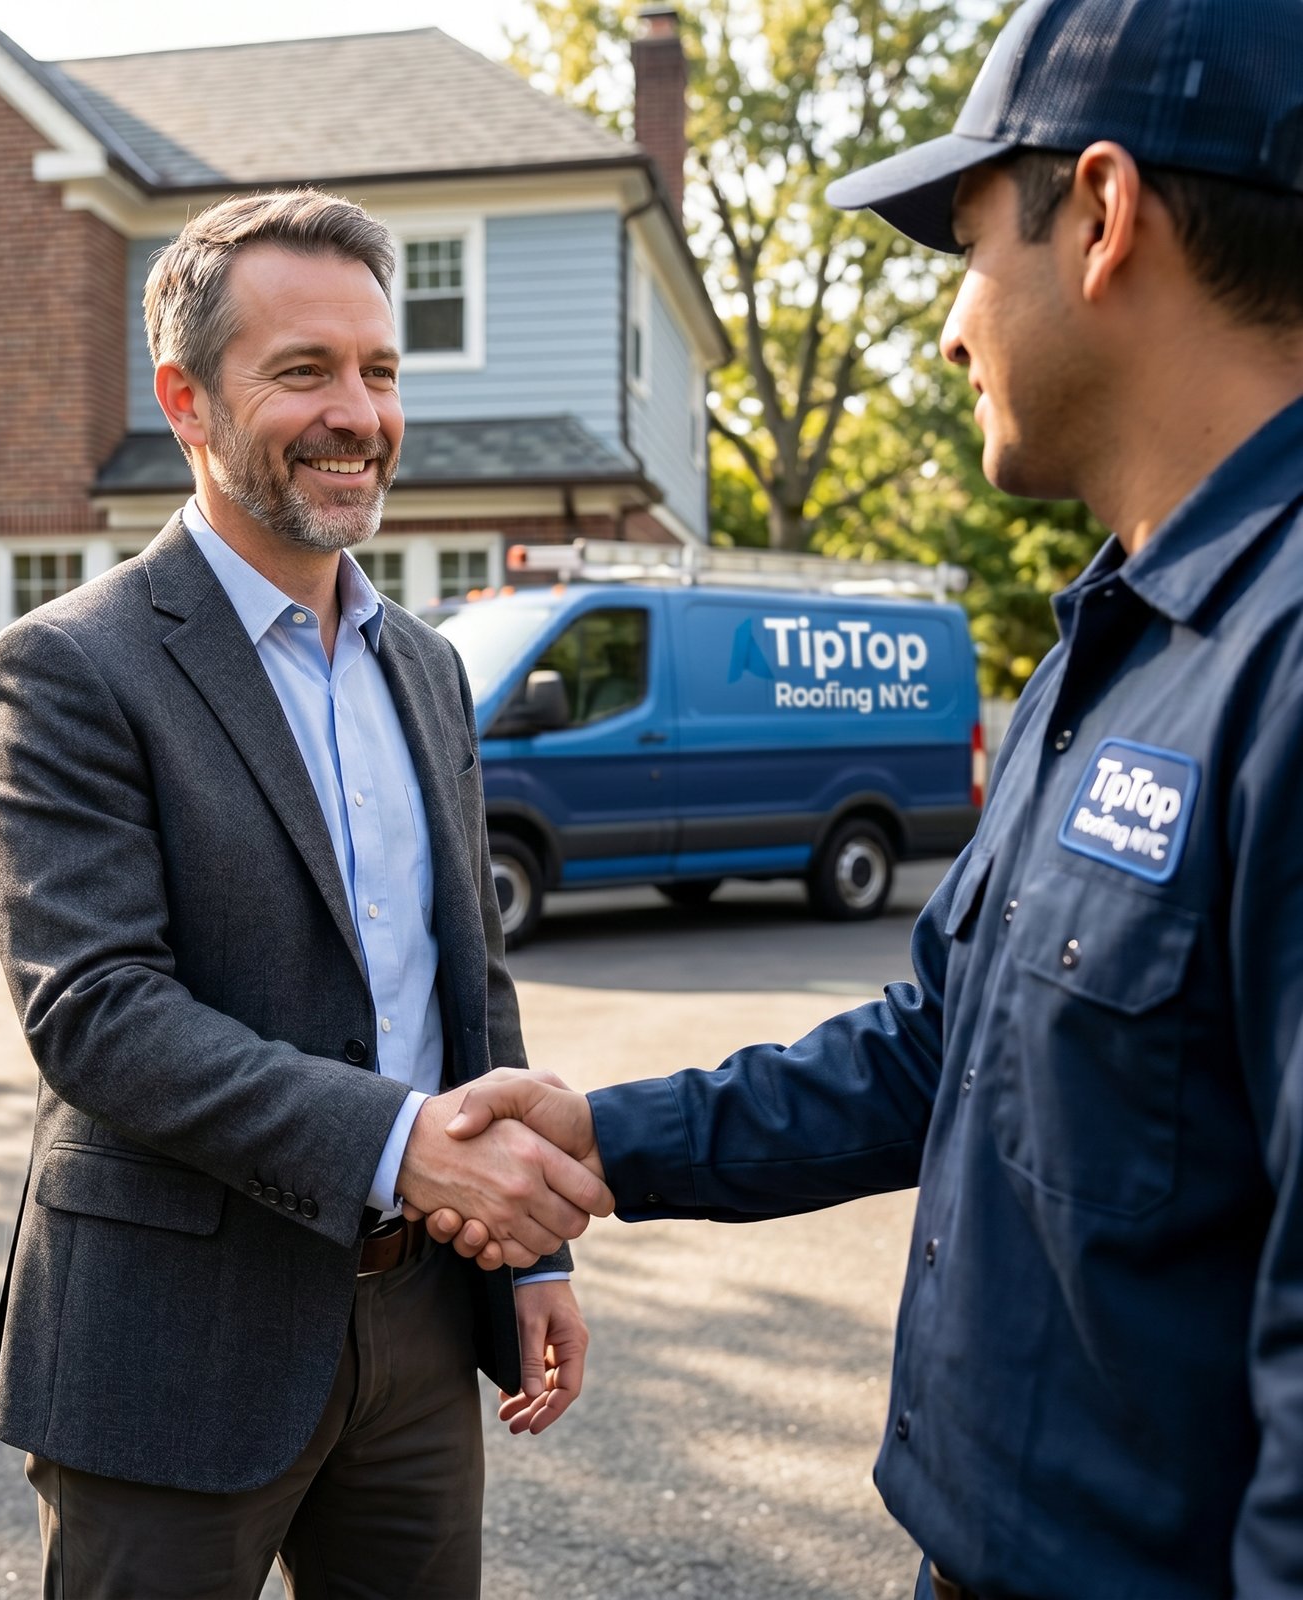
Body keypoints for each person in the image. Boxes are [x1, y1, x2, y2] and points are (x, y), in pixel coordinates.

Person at [423, 1, 1303, 1595]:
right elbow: (936, 1051)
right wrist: (606, 1137)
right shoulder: (1111, 647)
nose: (955, 333)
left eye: (968, 249)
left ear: (1103, 217)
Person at [0, 189, 610, 1600]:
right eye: (304, 371)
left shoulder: (428, 669)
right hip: (170, 1346)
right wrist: (400, 1145)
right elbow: (97, 1014)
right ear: (186, 400)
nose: (358, 412)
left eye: (381, 371)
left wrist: (524, 1254)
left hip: (421, 1326)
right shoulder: (71, 667)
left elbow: (470, 992)